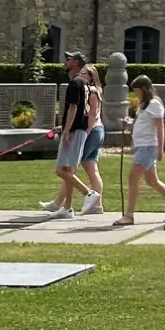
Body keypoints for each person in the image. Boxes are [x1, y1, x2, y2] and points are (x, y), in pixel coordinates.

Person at [118, 74, 165, 226]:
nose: (135, 94)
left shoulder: (154, 104)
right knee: (152, 181)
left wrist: (160, 149)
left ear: (144, 89)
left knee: (132, 178)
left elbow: (160, 127)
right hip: (142, 146)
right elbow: (143, 124)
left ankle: (129, 215)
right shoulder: (144, 105)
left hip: (148, 146)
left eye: (137, 90)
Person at [41, 52, 91, 217]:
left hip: (75, 130)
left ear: (76, 63)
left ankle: (89, 194)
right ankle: (67, 208)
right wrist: (63, 127)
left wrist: (67, 130)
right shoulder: (82, 82)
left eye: (68, 59)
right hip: (77, 129)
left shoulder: (75, 82)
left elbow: (73, 108)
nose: (66, 61)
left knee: (61, 171)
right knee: (69, 171)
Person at [78, 64, 107, 216]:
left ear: (91, 77)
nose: (81, 75)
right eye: (80, 73)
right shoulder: (89, 91)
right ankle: (97, 206)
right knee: (91, 169)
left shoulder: (92, 92)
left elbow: (92, 114)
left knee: (69, 169)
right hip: (96, 130)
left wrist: (85, 133)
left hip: (93, 131)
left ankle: (59, 203)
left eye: (85, 73)